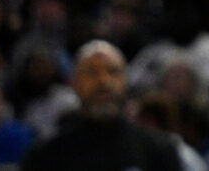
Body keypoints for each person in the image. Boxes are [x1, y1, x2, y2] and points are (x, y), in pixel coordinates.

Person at [25, 42, 182, 171]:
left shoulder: (159, 151)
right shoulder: (45, 156)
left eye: (113, 71)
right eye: (91, 72)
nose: (103, 81)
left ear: (125, 82)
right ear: (74, 84)